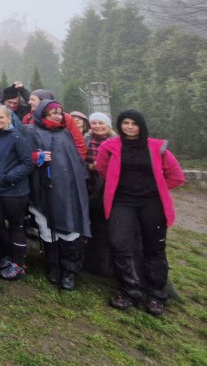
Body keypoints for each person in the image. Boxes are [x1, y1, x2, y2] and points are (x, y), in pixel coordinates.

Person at [96, 110, 185, 316]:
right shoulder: (110, 147)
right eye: (125, 123)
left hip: (152, 202)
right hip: (122, 201)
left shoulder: (157, 147)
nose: (129, 127)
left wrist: (155, 188)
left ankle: (156, 294)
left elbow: (176, 176)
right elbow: (102, 169)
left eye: (133, 123)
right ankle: (130, 290)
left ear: (141, 126)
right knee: (119, 244)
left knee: (155, 248)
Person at [21, 100, 90, 290]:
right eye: (53, 113)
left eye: (60, 113)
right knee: (46, 228)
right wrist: (37, 158)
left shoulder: (65, 133)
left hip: (66, 190)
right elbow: (22, 155)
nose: (58, 116)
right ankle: (54, 266)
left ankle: (69, 270)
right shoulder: (30, 131)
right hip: (41, 188)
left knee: (68, 228)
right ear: (43, 114)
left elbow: (74, 161)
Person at [0, 105, 34, 280]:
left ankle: (19, 263)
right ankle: (10, 254)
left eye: (1, 117)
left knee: (16, 226)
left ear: (9, 119)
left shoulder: (17, 138)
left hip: (15, 190)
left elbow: (28, 163)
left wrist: (9, 176)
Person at [83, 112, 115, 277]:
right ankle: (92, 262)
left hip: (108, 188)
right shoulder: (87, 140)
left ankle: (107, 264)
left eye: (101, 123)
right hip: (90, 186)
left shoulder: (115, 142)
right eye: (94, 123)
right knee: (94, 226)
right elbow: (82, 161)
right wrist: (91, 167)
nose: (97, 126)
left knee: (106, 227)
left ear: (108, 126)